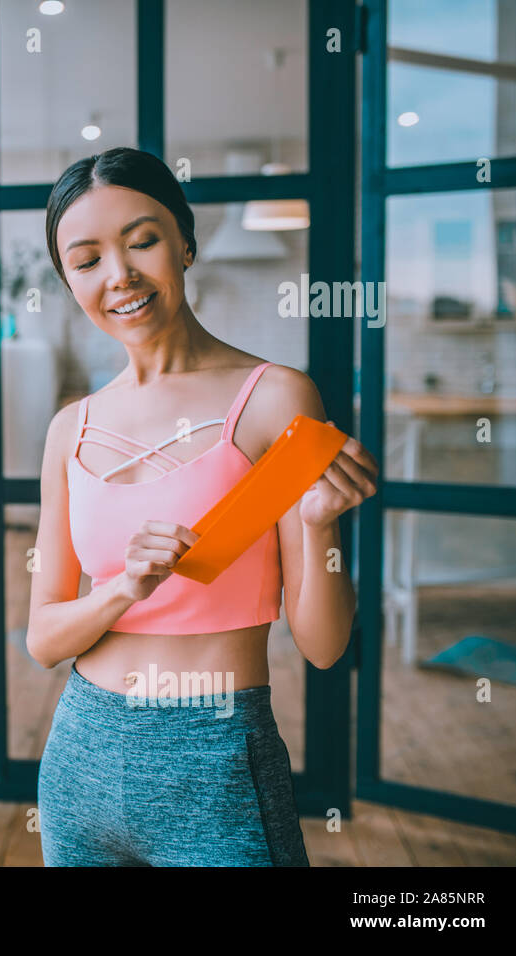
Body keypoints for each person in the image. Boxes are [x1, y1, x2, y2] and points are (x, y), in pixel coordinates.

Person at [30, 147, 379, 866]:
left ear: (185, 242)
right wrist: (125, 588)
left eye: (142, 241)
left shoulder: (276, 397)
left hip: (220, 759)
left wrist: (319, 523)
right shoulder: (70, 428)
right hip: (80, 758)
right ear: (68, 281)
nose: (119, 276)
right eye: (87, 259)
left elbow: (324, 647)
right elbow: (43, 638)